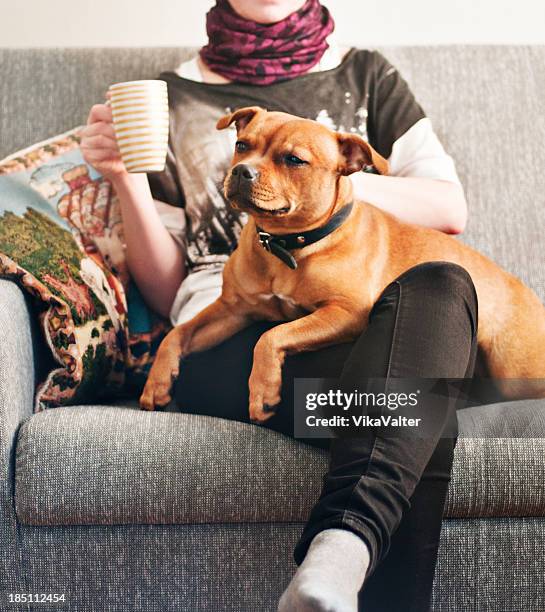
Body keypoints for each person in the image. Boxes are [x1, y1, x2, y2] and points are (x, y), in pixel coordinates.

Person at [81, 1, 476, 610]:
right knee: (418, 409)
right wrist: (124, 177)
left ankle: (334, 566)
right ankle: (342, 562)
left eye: (278, 155)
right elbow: (164, 290)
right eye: (244, 150)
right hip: (226, 330)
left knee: (443, 286)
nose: (249, 168)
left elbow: (449, 210)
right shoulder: (168, 95)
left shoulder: (367, 74)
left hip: (349, 314)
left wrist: (318, 178)